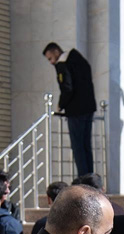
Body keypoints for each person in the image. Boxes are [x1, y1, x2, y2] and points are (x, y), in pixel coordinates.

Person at [43, 42, 97, 177]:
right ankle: (90, 177)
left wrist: (61, 105)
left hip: (76, 110)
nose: (51, 62)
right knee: (86, 145)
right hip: (88, 107)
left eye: (50, 58)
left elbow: (67, 88)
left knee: (78, 146)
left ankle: (83, 178)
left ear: (56, 52)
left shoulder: (63, 64)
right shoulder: (79, 59)